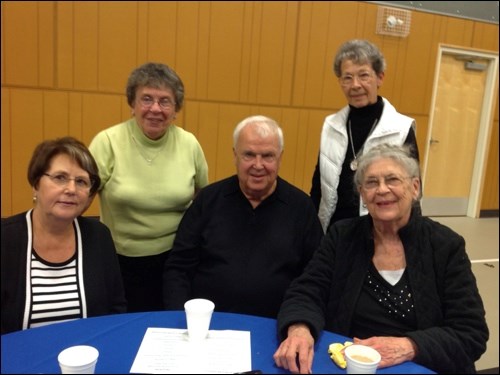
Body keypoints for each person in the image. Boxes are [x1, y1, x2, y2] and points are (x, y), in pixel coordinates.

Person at [273, 144, 488, 374]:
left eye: (392, 179)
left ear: (415, 188)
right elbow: (307, 290)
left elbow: (470, 332)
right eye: (372, 182)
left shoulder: (445, 245)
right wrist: (300, 327)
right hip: (351, 366)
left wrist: (409, 346)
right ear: (363, 195)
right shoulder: (342, 236)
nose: (382, 189)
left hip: (419, 367)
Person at [162, 115, 323, 318]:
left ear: (280, 158)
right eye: (249, 155)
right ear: (235, 156)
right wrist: (180, 319)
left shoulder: (301, 207)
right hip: (206, 325)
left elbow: (314, 277)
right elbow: (178, 268)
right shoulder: (208, 200)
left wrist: (298, 323)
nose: (258, 165)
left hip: (276, 326)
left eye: (267, 156)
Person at [89, 62, 209, 312]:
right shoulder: (108, 142)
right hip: (119, 261)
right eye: (146, 99)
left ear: (176, 109)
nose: (155, 108)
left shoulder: (189, 144)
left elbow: (202, 199)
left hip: (176, 261)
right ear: (132, 104)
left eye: (165, 101)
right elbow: (81, 195)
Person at [1, 137, 126, 334]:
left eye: (81, 181)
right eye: (60, 177)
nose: (71, 189)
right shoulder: (6, 238)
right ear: (35, 184)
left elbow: (116, 308)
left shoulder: (98, 236)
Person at [310, 39, 420, 234]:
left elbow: (412, 193)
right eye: (347, 77)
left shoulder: (400, 128)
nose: (355, 85)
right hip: (334, 232)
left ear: (380, 78)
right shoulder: (331, 125)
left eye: (364, 76)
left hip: (380, 232)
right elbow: (319, 185)